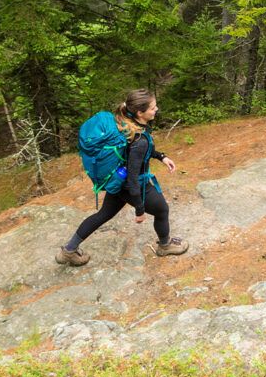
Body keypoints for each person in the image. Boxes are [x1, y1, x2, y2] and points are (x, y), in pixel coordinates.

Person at [57, 89, 187, 265]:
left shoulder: (127, 125)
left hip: (118, 181)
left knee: (103, 215)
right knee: (162, 210)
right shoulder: (139, 140)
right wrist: (139, 210)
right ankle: (165, 245)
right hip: (132, 186)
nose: (156, 110)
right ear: (140, 113)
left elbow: (143, 152)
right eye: (153, 108)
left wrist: (161, 156)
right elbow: (133, 178)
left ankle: (68, 251)